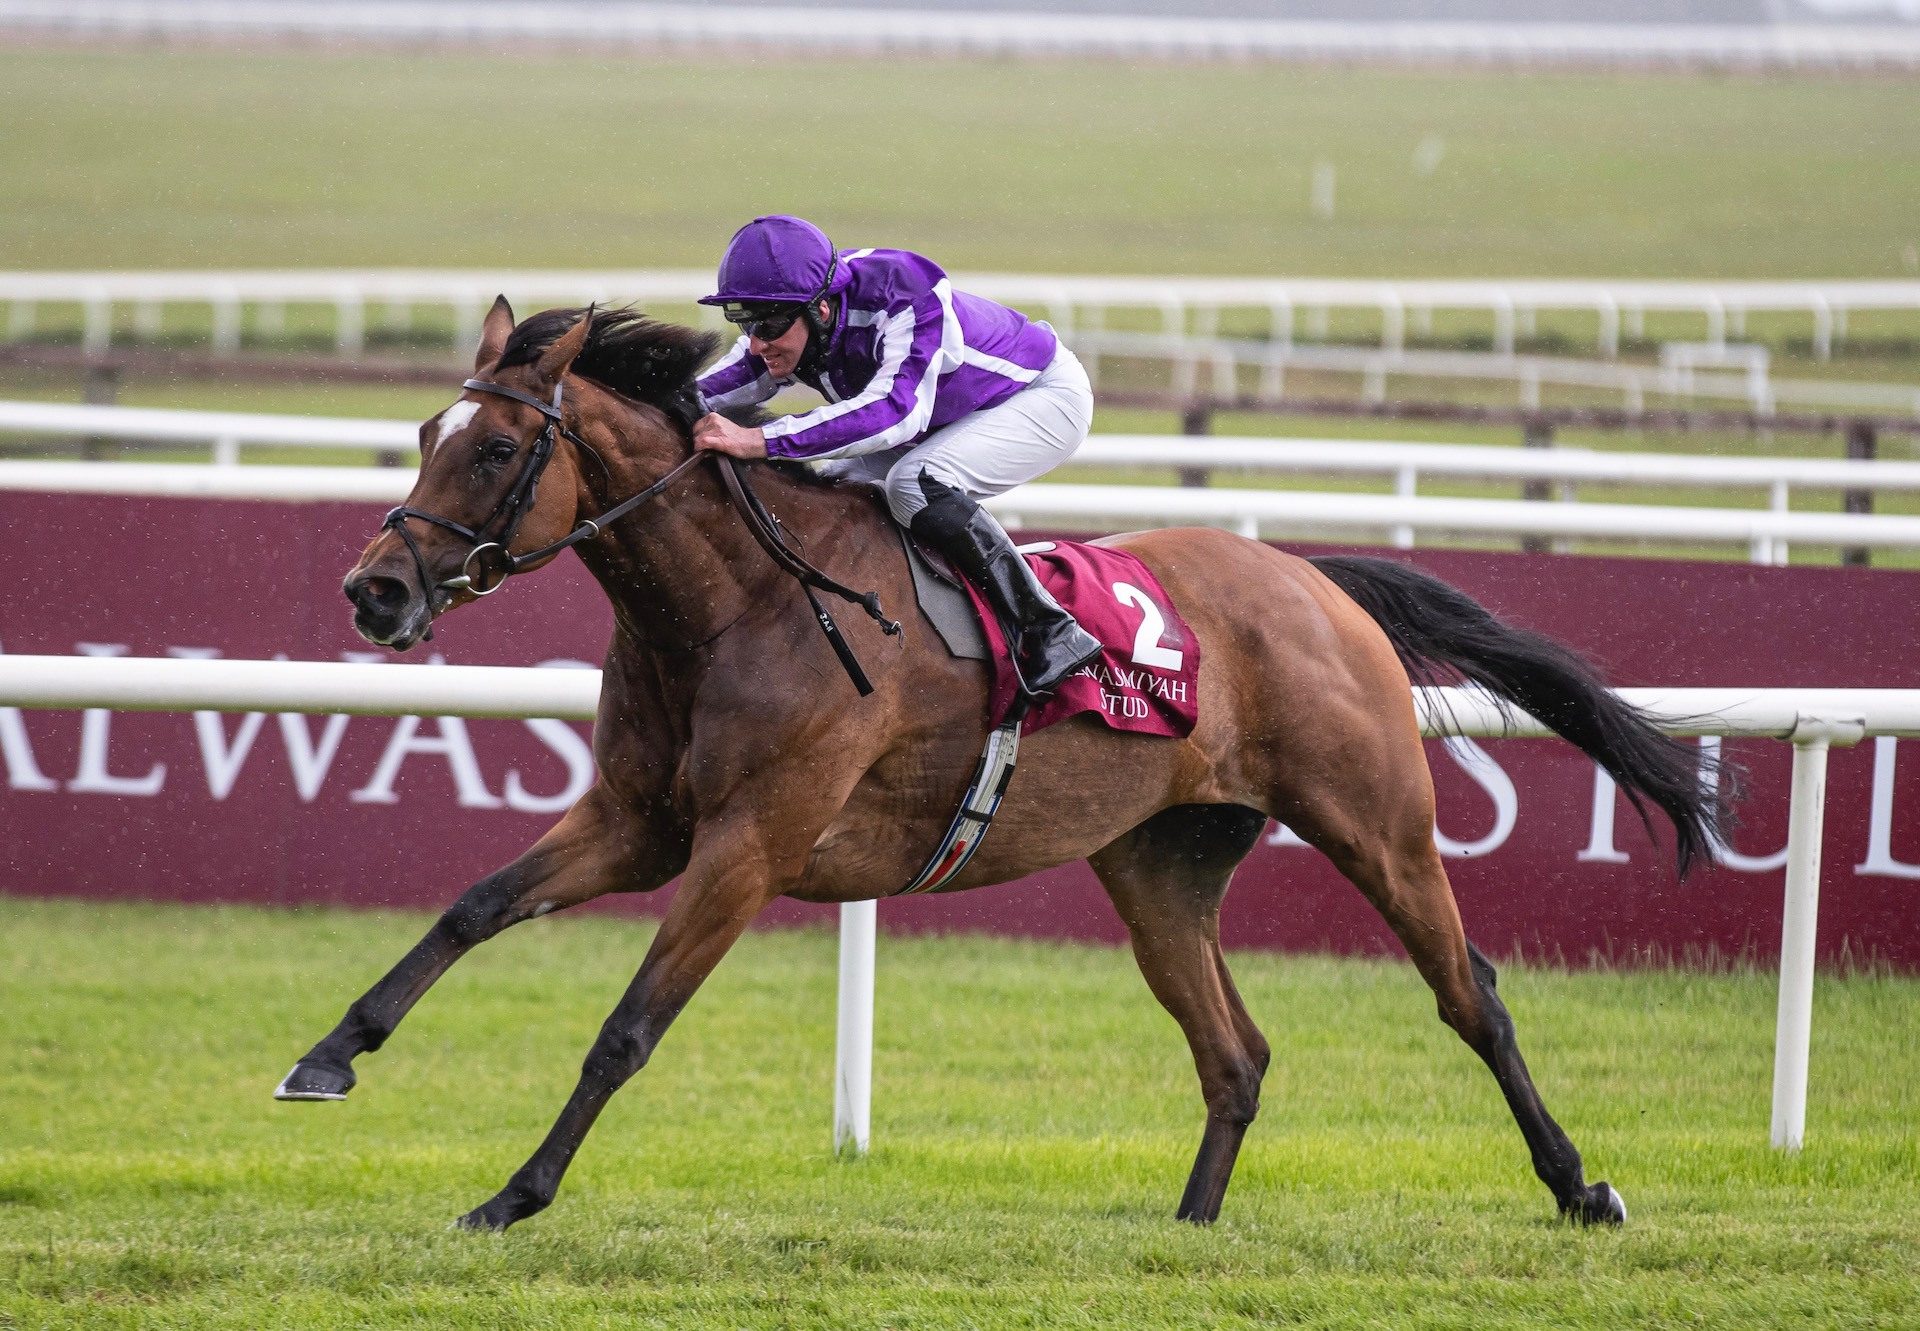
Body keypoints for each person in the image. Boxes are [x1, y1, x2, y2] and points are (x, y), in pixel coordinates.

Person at [691, 214, 1102, 698]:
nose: (758, 342)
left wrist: (762, 440)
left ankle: (1048, 628)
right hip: (942, 419)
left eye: (769, 325)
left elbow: (894, 414)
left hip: (1038, 396)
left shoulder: (905, 293)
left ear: (820, 309)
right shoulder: (794, 316)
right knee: (831, 484)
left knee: (915, 482)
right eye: (744, 324)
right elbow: (706, 392)